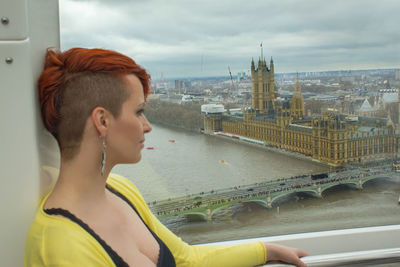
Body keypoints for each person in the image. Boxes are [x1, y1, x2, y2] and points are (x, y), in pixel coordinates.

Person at [25, 47, 309, 267]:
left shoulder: (122, 189)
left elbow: (186, 260)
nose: (148, 125)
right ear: (102, 121)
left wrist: (267, 250)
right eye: (138, 112)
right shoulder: (61, 248)